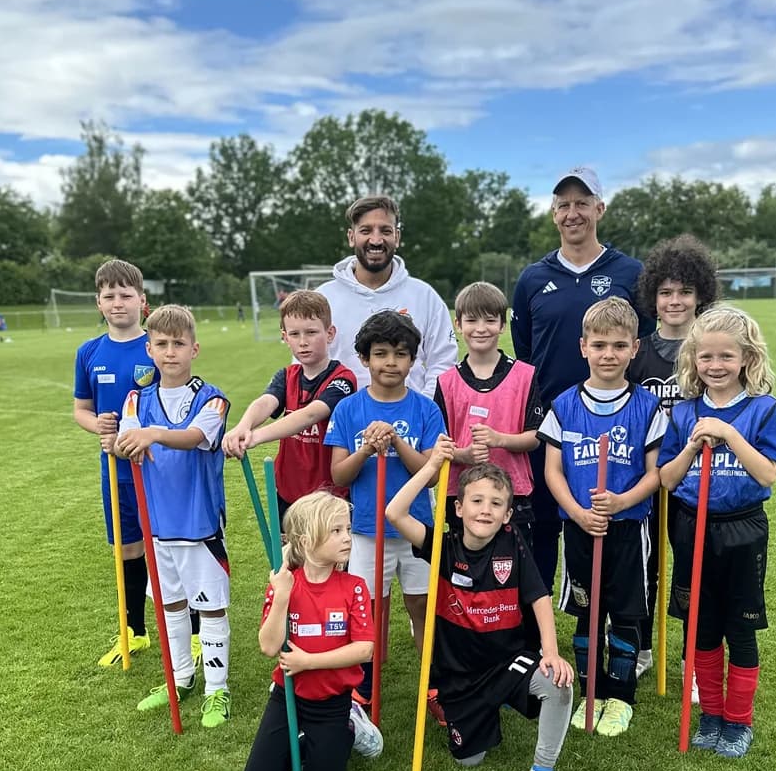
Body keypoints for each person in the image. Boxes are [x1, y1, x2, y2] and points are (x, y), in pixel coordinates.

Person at [385, 440, 575, 771]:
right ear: (457, 508)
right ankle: (482, 711)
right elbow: (395, 511)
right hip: (459, 678)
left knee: (559, 684)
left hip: (507, 662)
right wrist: (433, 464)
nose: (485, 510)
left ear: (507, 515)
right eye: (476, 500)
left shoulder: (513, 543)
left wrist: (550, 653)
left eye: (496, 503)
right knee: (468, 760)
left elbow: (538, 597)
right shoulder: (441, 547)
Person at [511, 166, 655, 589]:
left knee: (619, 526)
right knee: (541, 529)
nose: (573, 213)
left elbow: (644, 344)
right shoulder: (533, 278)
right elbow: (525, 353)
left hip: (617, 427)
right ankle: (536, 634)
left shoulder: (630, 272)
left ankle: (630, 631)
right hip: (551, 427)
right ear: (553, 214)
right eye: (563, 205)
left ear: (600, 208)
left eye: (581, 203)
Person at [658, 305, 776, 759]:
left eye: (726, 357)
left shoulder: (763, 410)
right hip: (691, 526)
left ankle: (738, 720)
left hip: (742, 529)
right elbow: (668, 480)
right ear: (693, 359)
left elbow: (767, 474)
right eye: (705, 357)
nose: (715, 366)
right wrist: (693, 444)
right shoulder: (684, 412)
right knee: (701, 626)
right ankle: (711, 714)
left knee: (740, 628)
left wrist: (729, 434)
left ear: (747, 358)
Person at [540, 297, 667, 736]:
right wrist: (577, 513)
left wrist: (620, 501)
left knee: (627, 613)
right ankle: (591, 691)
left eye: (618, 345)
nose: (608, 354)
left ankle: (621, 696)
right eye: (599, 345)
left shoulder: (647, 406)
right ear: (583, 347)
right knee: (586, 613)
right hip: (578, 529)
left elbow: (657, 474)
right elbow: (552, 470)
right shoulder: (564, 405)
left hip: (628, 530)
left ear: (634, 348)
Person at [115, 305, 233, 730]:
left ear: (194, 348)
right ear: (149, 349)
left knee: (213, 608)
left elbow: (196, 438)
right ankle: (179, 677)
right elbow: (127, 441)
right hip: (157, 525)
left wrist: (151, 435)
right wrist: (125, 441)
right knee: (170, 605)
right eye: (161, 344)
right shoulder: (136, 398)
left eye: (178, 344)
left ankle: (217, 688)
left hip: (198, 523)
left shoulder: (212, 398)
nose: (170, 352)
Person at [324, 310, 445, 703]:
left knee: (422, 605)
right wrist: (366, 449)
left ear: (413, 360)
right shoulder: (349, 410)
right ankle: (365, 683)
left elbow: (430, 474)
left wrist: (396, 443)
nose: (390, 362)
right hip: (365, 529)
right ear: (364, 358)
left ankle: (435, 681)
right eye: (380, 353)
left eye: (400, 353)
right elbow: (340, 476)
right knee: (369, 609)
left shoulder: (425, 409)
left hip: (415, 529)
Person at [244, 491, 383, 771]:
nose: (347, 537)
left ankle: (351, 727)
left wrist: (309, 661)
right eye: (336, 531)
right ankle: (309, 740)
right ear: (306, 541)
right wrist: (281, 597)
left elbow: (365, 650)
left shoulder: (353, 587)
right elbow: (268, 647)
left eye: (347, 529)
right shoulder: (285, 584)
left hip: (333, 701)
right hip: (288, 696)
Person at [629, 234, 719, 682]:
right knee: (643, 569)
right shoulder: (637, 351)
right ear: (653, 296)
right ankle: (642, 646)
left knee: (690, 571)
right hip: (645, 478)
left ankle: (692, 658)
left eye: (684, 291)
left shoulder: (709, 354)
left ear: (700, 294)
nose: (675, 300)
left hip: (690, 481)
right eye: (666, 292)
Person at [74, 259, 157, 666]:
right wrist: (99, 427)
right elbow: (81, 410)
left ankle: (194, 632)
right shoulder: (88, 352)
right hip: (115, 471)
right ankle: (134, 631)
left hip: (157, 468)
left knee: (168, 547)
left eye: (126, 295)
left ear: (142, 301)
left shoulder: (157, 345)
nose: (118, 303)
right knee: (126, 548)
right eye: (110, 296)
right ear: (98, 302)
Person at [222, 290, 356, 519]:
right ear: (285, 337)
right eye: (294, 334)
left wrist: (255, 437)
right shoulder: (286, 375)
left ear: (330, 333)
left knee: (329, 555)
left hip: (329, 497)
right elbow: (265, 401)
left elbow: (311, 415)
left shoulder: (343, 379)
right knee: (290, 555)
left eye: (312, 332)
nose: (303, 342)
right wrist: (243, 426)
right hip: (287, 492)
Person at [317, 194, 457, 397]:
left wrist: (419, 409)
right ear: (351, 237)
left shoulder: (425, 296)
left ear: (397, 237)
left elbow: (443, 362)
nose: (376, 240)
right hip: (340, 423)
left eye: (385, 230)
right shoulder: (323, 298)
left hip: (409, 424)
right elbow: (306, 368)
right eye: (366, 230)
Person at [435, 280, 542, 541]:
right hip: (462, 494)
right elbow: (438, 444)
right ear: (458, 325)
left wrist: (499, 440)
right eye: (471, 321)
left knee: (512, 571)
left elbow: (536, 437)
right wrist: (465, 455)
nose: (481, 329)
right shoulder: (446, 382)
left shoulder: (525, 375)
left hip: (513, 494)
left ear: (502, 324)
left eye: (490, 320)